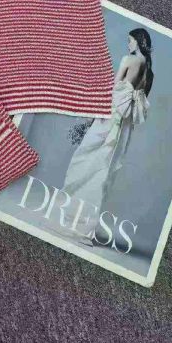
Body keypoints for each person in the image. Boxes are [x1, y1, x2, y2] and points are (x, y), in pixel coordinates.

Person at [48, 28, 154, 246]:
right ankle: (83, 228)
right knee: (103, 174)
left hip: (110, 118)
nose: (128, 45)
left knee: (83, 163)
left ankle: (65, 219)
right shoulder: (150, 73)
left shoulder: (129, 60)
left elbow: (112, 90)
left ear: (138, 41)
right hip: (124, 128)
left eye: (130, 41)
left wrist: (90, 117)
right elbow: (138, 104)